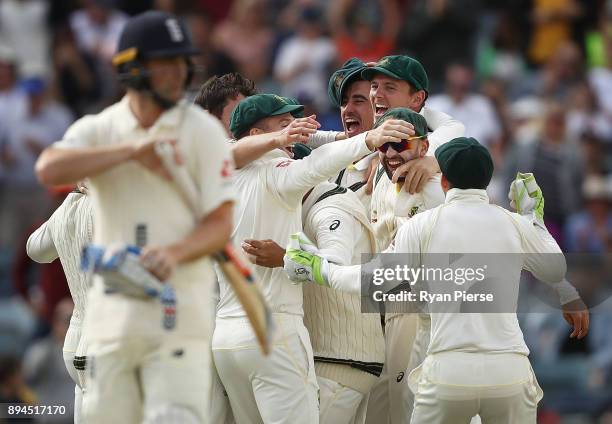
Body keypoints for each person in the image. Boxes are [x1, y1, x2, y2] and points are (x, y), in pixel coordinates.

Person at [284, 137, 589, 424]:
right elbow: (554, 269)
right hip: (509, 369)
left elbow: (374, 279)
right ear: (486, 181)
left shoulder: (422, 225)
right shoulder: (511, 223)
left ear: (444, 181)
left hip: (448, 371)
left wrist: (319, 269)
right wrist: (533, 220)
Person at [34, 11, 234, 423]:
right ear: (133, 68)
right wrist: (125, 156)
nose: (178, 73)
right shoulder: (103, 128)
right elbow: (49, 168)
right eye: (165, 62)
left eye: (182, 62)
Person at [212, 93, 412, 424]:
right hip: (273, 330)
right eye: (284, 124)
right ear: (256, 136)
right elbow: (318, 164)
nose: (295, 132)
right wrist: (369, 139)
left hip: (226, 339)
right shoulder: (276, 172)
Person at [26, 183, 92, 423]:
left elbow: (35, 249)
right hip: (104, 337)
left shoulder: (68, 207)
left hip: (75, 339)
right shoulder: (112, 204)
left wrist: (70, 202)